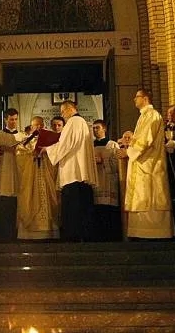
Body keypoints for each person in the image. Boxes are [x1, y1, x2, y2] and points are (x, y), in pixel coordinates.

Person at [117, 88, 172, 239]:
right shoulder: (144, 116)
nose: (134, 99)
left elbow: (146, 139)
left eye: (137, 97)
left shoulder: (152, 115)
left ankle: (154, 233)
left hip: (150, 164)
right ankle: (142, 232)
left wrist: (128, 152)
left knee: (150, 197)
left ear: (145, 98)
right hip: (143, 162)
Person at [43, 100, 98, 242]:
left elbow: (65, 144)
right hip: (81, 174)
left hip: (74, 173)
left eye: (63, 111)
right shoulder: (83, 123)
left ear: (70, 109)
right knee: (83, 209)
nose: (62, 115)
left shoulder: (73, 122)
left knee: (73, 209)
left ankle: (72, 239)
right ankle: (83, 238)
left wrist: (47, 149)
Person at [17, 117, 60, 240]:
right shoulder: (26, 141)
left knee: (47, 198)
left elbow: (56, 155)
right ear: (31, 127)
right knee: (29, 197)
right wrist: (32, 154)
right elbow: (19, 155)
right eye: (35, 125)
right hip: (31, 176)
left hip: (46, 175)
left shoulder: (50, 140)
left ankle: (48, 230)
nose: (38, 127)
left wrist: (46, 153)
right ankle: (30, 231)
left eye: (40, 125)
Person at [0, 109, 23, 240]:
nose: (13, 122)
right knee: (2, 203)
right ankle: (1, 234)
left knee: (16, 202)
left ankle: (16, 233)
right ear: (5, 119)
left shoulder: (22, 136)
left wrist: (18, 150)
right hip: (1, 172)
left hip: (17, 172)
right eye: (11, 119)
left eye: (15, 119)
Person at [91, 119, 121, 241]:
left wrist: (103, 161)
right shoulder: (90, 145)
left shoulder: (112, 144)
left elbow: (117, 164)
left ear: (104, 129)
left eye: (97, 128)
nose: (95, 130)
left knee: (108, 211)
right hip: (95, 181)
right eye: (93, 128)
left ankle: (111, 236)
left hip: (108, 179)